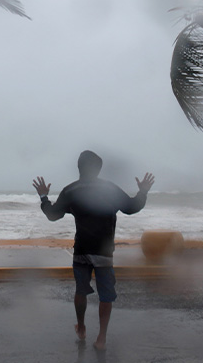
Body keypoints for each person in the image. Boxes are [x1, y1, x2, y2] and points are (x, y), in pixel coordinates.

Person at [32, 150, 155, 351]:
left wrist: (44, 197)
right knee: (106, 295)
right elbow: (132, 207)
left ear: (79, 168)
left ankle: (81, 327)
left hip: (81, 249)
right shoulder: (110, 189)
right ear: (98, 169)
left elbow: (53, 215)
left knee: (81, 291)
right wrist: (143, 192)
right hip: (104, 252)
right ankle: (101, 338)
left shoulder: (71, 190)